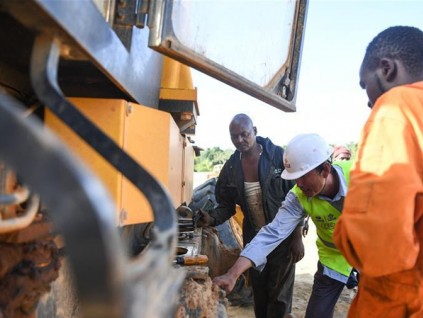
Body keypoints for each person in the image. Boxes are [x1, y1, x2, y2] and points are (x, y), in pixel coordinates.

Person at [213, 133, 355, 318]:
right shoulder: (298, 196)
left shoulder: (363, 176)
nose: (298, 184)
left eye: (303, 177)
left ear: (325, 170)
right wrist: (232, 274)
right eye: (295, 178)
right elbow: (271, 234)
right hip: (334, 258)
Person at [334, 26, 423, 317]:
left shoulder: (397, 109)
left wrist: (344, 231)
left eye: (365, 84)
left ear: (386, 68)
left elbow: (372, 244)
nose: (368, 100)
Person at [195, 113, 304, 318]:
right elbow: (226, 205)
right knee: (260, 294)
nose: (239, 140)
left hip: (284, 239)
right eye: (234, 136)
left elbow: (298, 199)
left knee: (279, 298)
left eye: (244, 134)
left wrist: (297, 236)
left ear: (255, 131)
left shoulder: (278, 158)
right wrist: (211, 219)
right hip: (254, 239)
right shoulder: (231, 168)